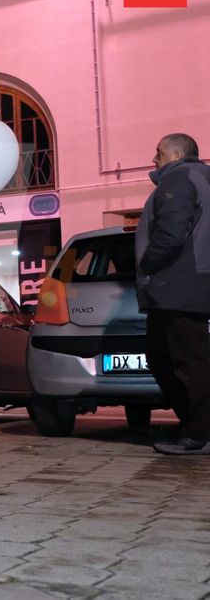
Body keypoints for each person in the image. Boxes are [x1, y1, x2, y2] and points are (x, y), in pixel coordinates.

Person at [135, 133, 210, 456]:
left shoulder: (179, 179)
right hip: (189, 284)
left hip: (178, 285)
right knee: (173, 359)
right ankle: (195, 427)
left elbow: (172, 232)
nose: (155, 159)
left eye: (159, 153)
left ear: (177, 154)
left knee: (183, 363)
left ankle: (198, 434)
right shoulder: (200, 177)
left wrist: (148, 263)